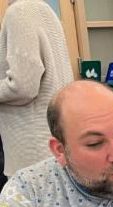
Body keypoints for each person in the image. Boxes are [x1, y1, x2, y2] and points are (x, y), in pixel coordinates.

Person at [0, 0, 73, 177]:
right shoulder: (46, 11)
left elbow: (23, 86)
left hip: (30, 145)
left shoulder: (19, 12)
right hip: (52, 135)